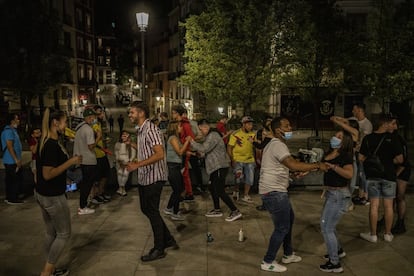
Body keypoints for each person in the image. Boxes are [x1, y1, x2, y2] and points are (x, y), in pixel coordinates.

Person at [259, 117, 328, 273]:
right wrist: (317, 165)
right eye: (287, 126)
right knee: (281, 228)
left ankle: (288, 254)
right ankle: (268, 260)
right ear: (278, 130)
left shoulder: (276, 144)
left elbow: (283, 167)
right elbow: (291, 163)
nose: (291, 128)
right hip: (274, 192)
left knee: (289, 221)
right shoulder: (278, 145)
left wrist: (294, 173)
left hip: (276, 190)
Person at [127, 101, 178, 262]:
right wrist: (132, 144)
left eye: (132, 112)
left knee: (152, 211)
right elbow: (146, 150)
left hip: (154, 177)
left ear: (141, 113)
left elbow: (159, 154)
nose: (130, 115)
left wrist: (137, 164)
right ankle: (168, 239)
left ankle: (159, 248)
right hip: (145, 177)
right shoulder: (141, 130)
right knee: (146, 209)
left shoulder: (150, 129)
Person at [35, 107, 82, 276]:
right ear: (56, 122)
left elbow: (39, 171)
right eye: (64, 121)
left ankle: (51, 268)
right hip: (52, 196)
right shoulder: (50, 146)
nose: (66, 124)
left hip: (42, 194)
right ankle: (47, 271)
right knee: (63, 234)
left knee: (51, 233)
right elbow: (47, 174)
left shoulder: (45, 141)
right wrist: (71, 162)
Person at [359, 114, 403, 243]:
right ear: (384, 124)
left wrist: (372, 161)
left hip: (373, 176)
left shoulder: (368, 139)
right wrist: (389, 162)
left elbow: (361, 158)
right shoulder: (393, 139)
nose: (392, 126)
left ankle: (373, 235)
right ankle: (388, 234)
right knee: (389, 206)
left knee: (374, 205)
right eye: (390, 123)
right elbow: (400, 159)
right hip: (389, 175)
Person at [190, 119, 242, 222]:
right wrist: (198, 153)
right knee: (212, 188)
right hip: (215, 167)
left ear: (205, 127)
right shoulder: (210, 136)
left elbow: (204, 148)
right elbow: (207, 151)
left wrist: (191, 141)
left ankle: (235, 211)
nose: (200, 133)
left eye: (201, 130)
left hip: (219, 166)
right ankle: (217, 209)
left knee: (219, 190)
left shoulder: (213, 135)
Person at [319, 129, 354, 273]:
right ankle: (338, 251)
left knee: (326, 228)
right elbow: (322, 168)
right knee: (328, 226)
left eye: (339, 137)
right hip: (331, 193)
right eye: (335, 135)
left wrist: (334, 167)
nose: (335, 138)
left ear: (344, 141)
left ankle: (335, 263)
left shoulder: (345, 156)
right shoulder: (329, 153)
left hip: (338, 195)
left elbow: (349, 174)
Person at [164, 120, 191, 221]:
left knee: (178, 189)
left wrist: (189, 153)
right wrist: (188, 141)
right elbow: (180, 152)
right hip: (173, 167)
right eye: (179, 126)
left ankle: (168, 208)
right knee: (177, 191)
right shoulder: (173, 138)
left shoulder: (176, 138)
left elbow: (180, 151)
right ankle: (175, 213)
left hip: (175, 166)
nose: (181, 128)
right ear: (175, 128)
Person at [73, 108, 97, 215]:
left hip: (81, 159)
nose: (94, 119)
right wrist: (99, 138)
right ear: (89, 117)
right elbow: (91, 146)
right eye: (92, 117)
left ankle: (83, 205)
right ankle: (82, 206)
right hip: (88, 160)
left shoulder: (80, 128)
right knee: (87, 184)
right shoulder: (88, 130)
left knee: (85, 184)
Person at [227, 116, 256, 203]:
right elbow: (229, 147)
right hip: (238, 159)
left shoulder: (253, 134)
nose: (250, 126)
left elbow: (255, 147)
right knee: (238, 177)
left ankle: (246, 195)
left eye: (251, 124)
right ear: (243, 124)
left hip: (250, 159)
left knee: (250, 179)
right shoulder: (235, 134)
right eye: (249, 124)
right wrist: (232, 159)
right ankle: (236, 190)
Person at [389, 118, 410, 234]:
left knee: (400, 197)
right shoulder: (388, 138)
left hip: (402, 170)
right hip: (394, 170)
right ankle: (388, 218)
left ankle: (401, 222)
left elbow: (403, 162)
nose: (390, 126)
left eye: (393, 124)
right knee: (390, 197)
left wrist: (395, 175)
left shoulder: (398, 139)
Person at [350, 103, 373, 205]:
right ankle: (360, 195)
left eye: (354, 110)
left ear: (360, 111)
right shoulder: (355, 121)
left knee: (363, 174)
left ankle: (366, 197)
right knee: (359, 174)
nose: (352, 112)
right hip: (356, 152)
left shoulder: (367, 124)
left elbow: (364, 141)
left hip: (363, 153)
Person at [171, 105, 195, 200]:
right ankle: (186, 192)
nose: (172, 115)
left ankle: (188, 193)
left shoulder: (185, 125)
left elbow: (190, 137)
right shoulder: (181, 123)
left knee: (184, 173)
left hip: (183, 151)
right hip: (181, 150)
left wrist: (185, 147)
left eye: (173, 113)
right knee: (184, 173)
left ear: (177, 113)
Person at [90, 105, 111, 204]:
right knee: (96, 178)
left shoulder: (100, 123)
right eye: (99, 113)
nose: (102, 114)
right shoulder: (94, 124)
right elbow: (97, 135)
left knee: (105, 175)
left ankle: (101, 193)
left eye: (101, 112)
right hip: (96, 155)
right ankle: (95, 196)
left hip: (102, 153)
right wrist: (95, 143)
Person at [1, 113, 24, 204]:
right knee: (13, 180)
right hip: (11, 161)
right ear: (12, 121)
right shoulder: (8, 131)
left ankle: (11, 197)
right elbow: (10, 147)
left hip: (12, 160)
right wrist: (16, 160)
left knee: (12, 179)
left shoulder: (13, 130)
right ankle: (12, 198)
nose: (18, 121)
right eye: (17, 119)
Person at [114, 131, 136, 196]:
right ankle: (121, 188)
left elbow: (133, 153)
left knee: (126, 174)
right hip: (119, 161)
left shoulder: (130, 144)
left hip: (127, 161)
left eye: (126, 135)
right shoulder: (117, 144)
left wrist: (130, 161)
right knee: (120, 173)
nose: (124, 136)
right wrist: (119, 160)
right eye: (123, 135)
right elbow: (116, 153)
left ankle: (122, 187)